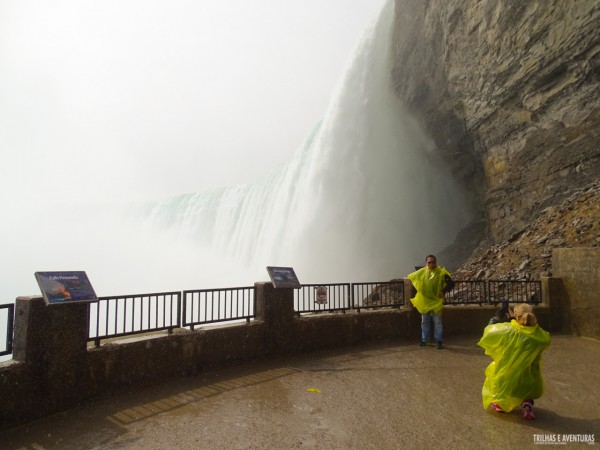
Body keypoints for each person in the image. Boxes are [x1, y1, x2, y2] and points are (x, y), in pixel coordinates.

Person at [477, 303, 551, 420]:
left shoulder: (508, 331)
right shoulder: (541, 337)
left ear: (517, 317)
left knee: (498, 383)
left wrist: (497, 318)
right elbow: (532, 334)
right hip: (529, 375)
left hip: (507, 374)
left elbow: (489, 332)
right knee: (526, 391)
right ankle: (526, 404)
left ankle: (501, 405)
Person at [407, 255, 454, 349]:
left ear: (436, 263)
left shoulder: (441, 272)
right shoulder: (422, 272)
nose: (431, 264)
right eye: (429, 262)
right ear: (426, 263)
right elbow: (412, 277)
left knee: (437, 322)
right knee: (425, 322)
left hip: (436, 301)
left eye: (433, 262)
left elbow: (451, 283)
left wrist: (443, 291)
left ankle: (439, 341)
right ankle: (425, 340)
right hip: (425, 301)